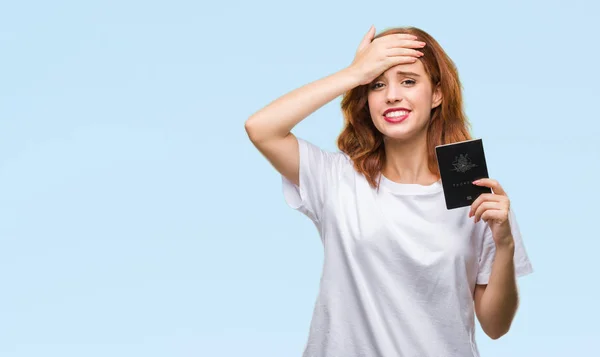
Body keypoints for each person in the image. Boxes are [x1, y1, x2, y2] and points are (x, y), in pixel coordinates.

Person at [244, 25, 533, 357]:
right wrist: (354, 73)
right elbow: (261, 128)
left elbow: (495, 326)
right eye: (377, 84)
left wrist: (505, 244)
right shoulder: (337, 179)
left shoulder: (475, 195)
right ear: (365, 97)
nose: (392, 95)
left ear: (437, 94)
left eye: (408, 81)